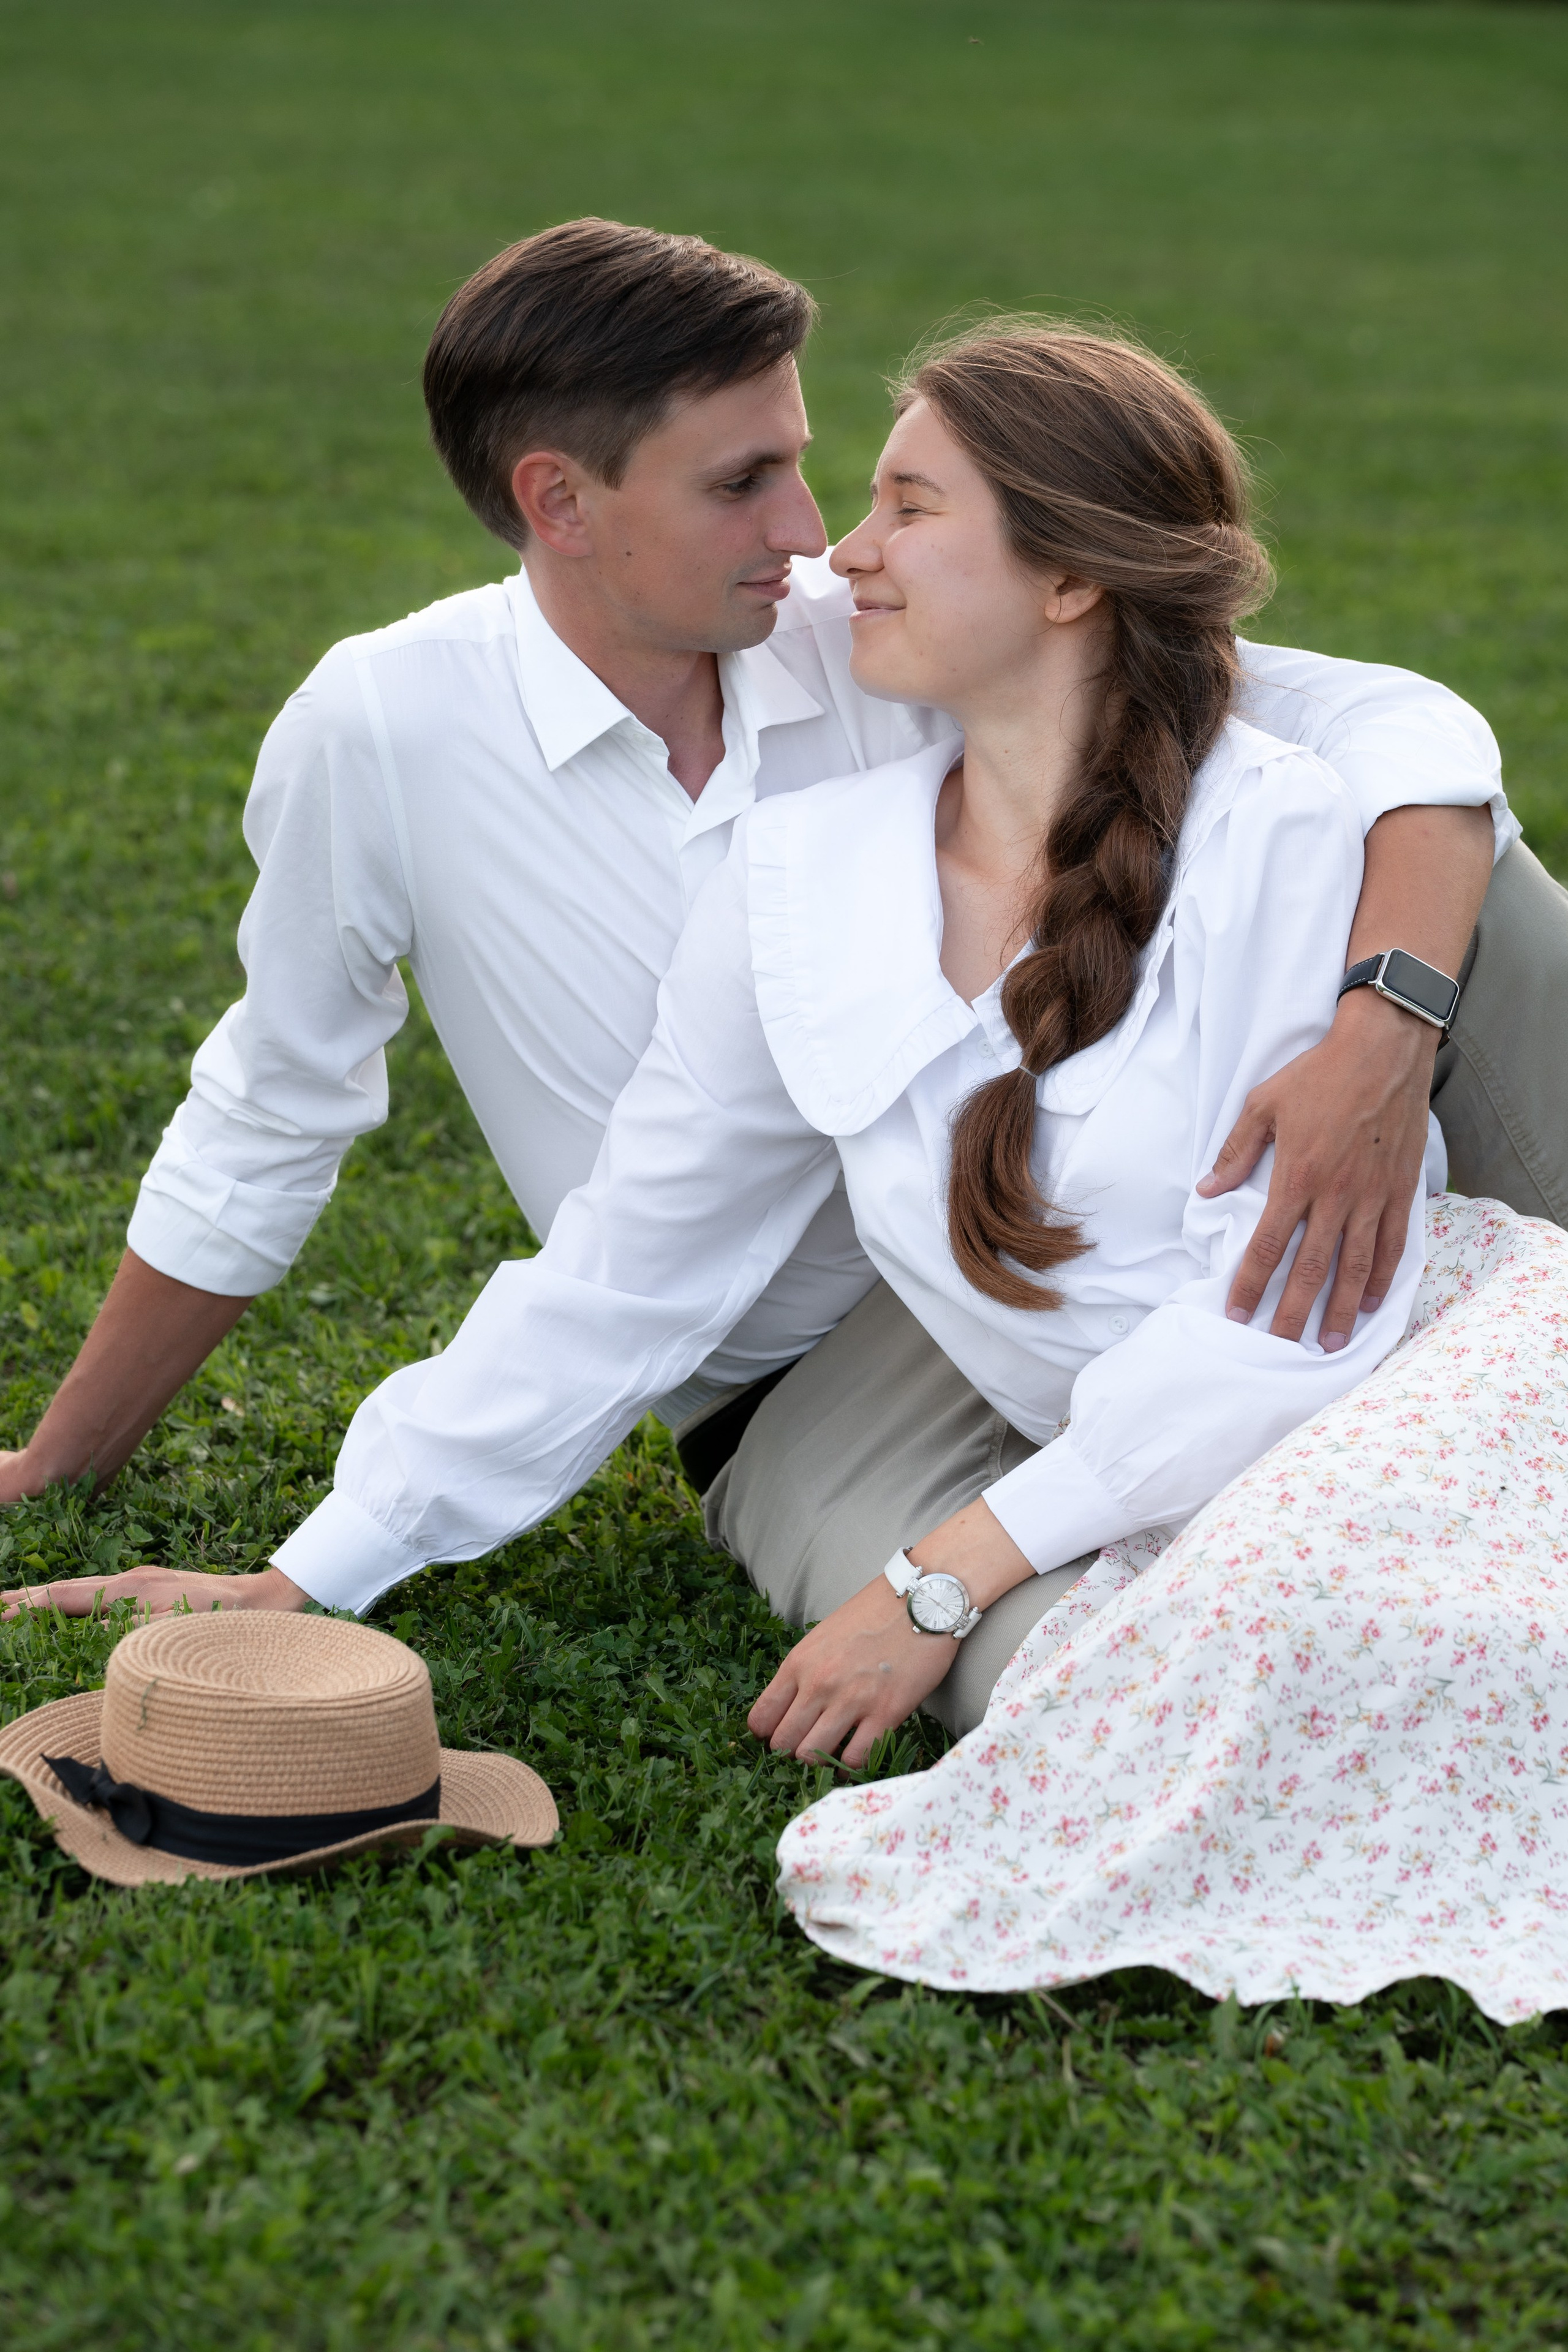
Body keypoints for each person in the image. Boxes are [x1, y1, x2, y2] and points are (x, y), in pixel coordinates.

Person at [17, 317, 1540, 1821]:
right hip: (849, 1371)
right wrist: (306, 1566)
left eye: (889, 500)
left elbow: (1382, 725)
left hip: (1302, 1367)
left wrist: (1380, 1023)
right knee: (1133, 1693)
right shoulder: (744, 843)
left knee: (1482, 892)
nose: (827, 544)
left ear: (1069, 577)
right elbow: (623, 1253)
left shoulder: (1238, 806)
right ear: (563, 500)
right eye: (752, 484)